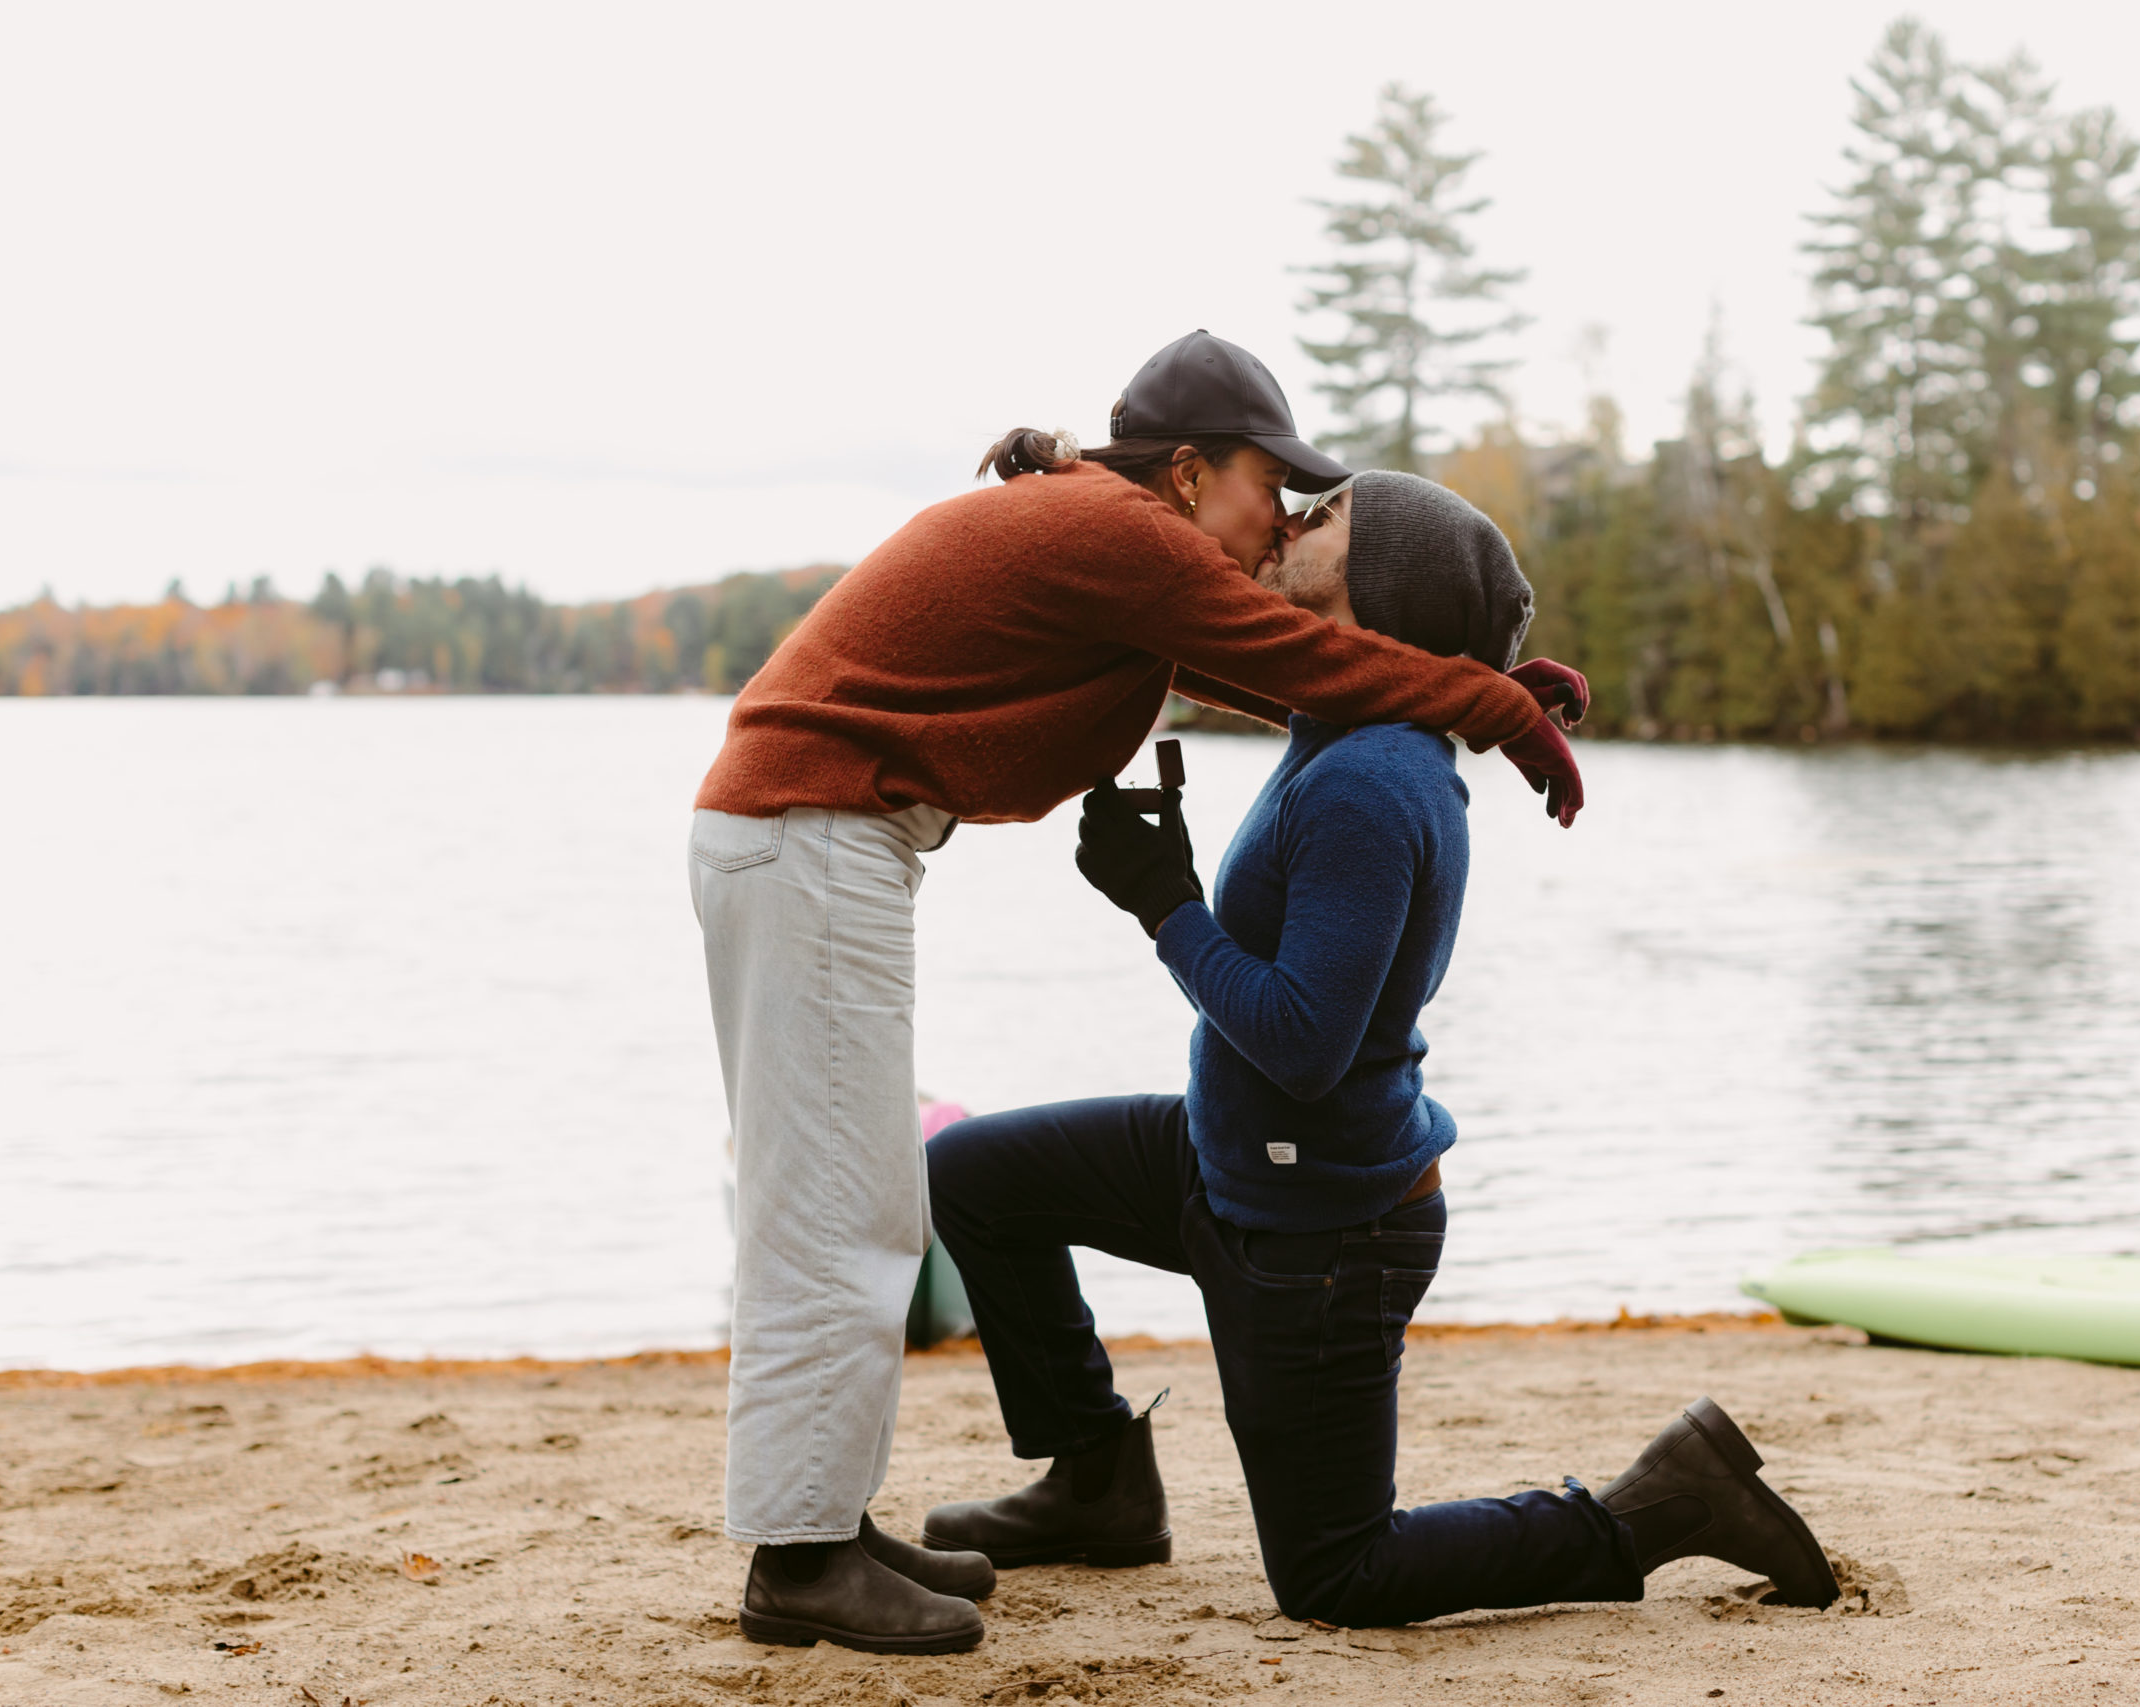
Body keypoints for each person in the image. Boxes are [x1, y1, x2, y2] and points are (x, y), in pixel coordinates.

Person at [686, 331, 1592, 1655]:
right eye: (1264, 482)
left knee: (870, 1193)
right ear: (1186, 472)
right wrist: (1487, 706)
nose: (1277, 514)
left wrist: (1478, 693)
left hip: (816, 835)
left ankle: (823, 1520)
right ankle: (802, 1556)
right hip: (810, 832)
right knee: (836, 1208)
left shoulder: (1115, 535)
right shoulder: (1122, 531)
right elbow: (1303, 666)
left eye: (1305, 501)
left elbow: (1277, 672)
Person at [916, 474, 1838, 1626]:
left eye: (1329, 514)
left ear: (1385, 586)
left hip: (1323, 1233)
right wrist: (1076, 473)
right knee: (973, 1179)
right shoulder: (1340, 719)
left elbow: (1304, 1045)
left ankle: (1657, 1506)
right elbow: (1184, 647)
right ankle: (1097, 1480)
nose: (1294, 516)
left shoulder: (1371, 779)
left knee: (1337, 1577)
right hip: (1225, 1158)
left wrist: (1166, 905)